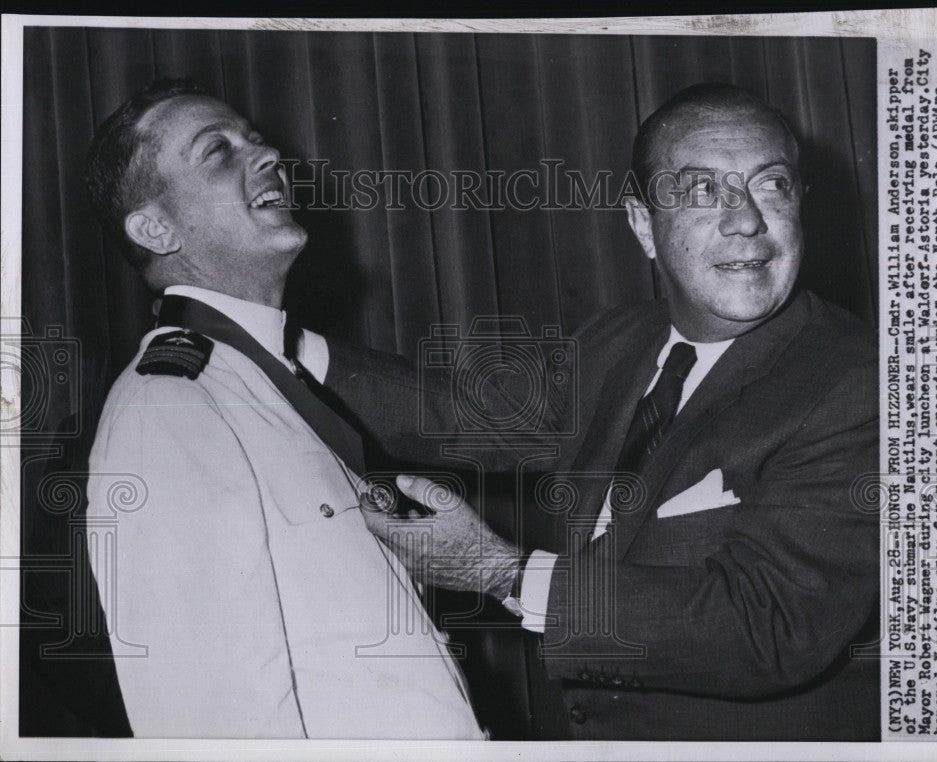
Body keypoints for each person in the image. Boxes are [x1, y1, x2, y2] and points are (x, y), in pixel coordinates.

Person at [315, 83, 880, 740]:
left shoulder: (855, 381)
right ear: (642, 224)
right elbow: (475, 416)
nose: (746, 220)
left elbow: (769, 627)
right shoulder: (622, 340)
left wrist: (501, 573)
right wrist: (274, 340)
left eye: (772, 185)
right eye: (701, 191)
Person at [82, 79, 483, 739]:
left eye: (256, 140)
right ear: (155, 228)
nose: (267, 157)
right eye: (217, 151)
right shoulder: (171, 407)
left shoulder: (274, 386)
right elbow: (212, 726)